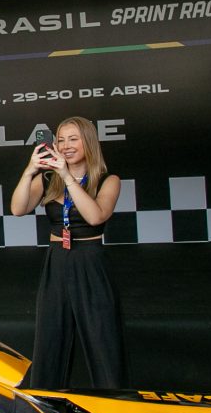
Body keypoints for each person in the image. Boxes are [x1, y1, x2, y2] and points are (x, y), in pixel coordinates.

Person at [9, 117, 124, 389]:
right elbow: (17, 209)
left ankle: (113, 404)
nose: (66, 145)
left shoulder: (108, 180)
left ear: (89, 142)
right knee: (50, 337)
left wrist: (67, 177)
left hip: (90, 260)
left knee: (102, 338)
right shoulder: (48, 178)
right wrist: (29, 171)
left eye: (73, 139)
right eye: (61, 140)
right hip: (57, 259)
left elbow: (95, 216)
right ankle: (46, 402)